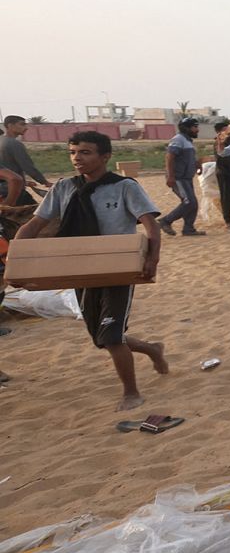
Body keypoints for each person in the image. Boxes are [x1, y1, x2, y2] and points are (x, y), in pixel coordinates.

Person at [15, 131, 167, 410]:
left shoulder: (124, 187)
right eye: (73, 152)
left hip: (118, 268)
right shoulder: (63, 188)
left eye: (85, 152)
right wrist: (16, 259)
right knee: (101, 336)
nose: (77, 158)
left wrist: (152, 259)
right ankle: (151, 348)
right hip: (78, 267)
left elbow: (150, 224)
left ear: (105, 156)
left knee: (110, 336)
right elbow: (35, 225)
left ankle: (131, 392)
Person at [156, 116, 205, 237]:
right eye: (195, 127)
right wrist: (171, 176)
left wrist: (197, 165)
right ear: (186, 128)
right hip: (178, 177)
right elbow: (169, 157)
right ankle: (165, 221)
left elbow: (190, 158)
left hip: (186, 178)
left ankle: (188, 229)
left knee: (193, 203)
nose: (197, 130)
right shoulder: (178, 139)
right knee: (189, 202)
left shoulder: (188, 141)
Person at [0, 115, 51, 205]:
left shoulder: (2, 141)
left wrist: (25, 182)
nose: (26, 128)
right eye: (22, 124)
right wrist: (45, 182)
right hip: (12, 190)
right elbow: (28, 167)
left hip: (4, 189)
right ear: (10, 125)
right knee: (37, 215)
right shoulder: (14, 144)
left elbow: (6, 166)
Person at [212, 119, 230, 229]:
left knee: (229, 196)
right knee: (226, 197)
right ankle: (228, 220)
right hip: (223, 172)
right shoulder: (219, 142)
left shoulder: (228, 141)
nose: (228, 131)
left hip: (228, 172)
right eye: (226, 129)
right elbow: (222, 157)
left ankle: (229, 219)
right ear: (220, 132)